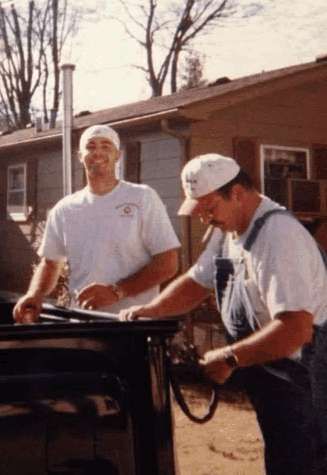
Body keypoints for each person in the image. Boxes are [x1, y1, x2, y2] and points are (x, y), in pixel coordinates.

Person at [120, 153, 327, 474]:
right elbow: (196, 282)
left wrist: (231, 357)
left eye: (209, 209)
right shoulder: (227, 230)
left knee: (306, 459)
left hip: (304, 371)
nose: (204, 219)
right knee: (283, 453)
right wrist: (151, 310)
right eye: (198, 211)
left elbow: (296, 330)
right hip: (267, 366)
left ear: (238, 193)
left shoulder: (280, 237)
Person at [13, 124, 180, 323]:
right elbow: (50, 263)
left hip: (133, 323)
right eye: (90, 146)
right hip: (83, 322)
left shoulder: (142, 197)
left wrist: (117, 291)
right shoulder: (65, 209)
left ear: (118, 155)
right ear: (79, 156)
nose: (97, 152)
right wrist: (35, 294)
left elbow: (168, 263)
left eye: (106, 146)